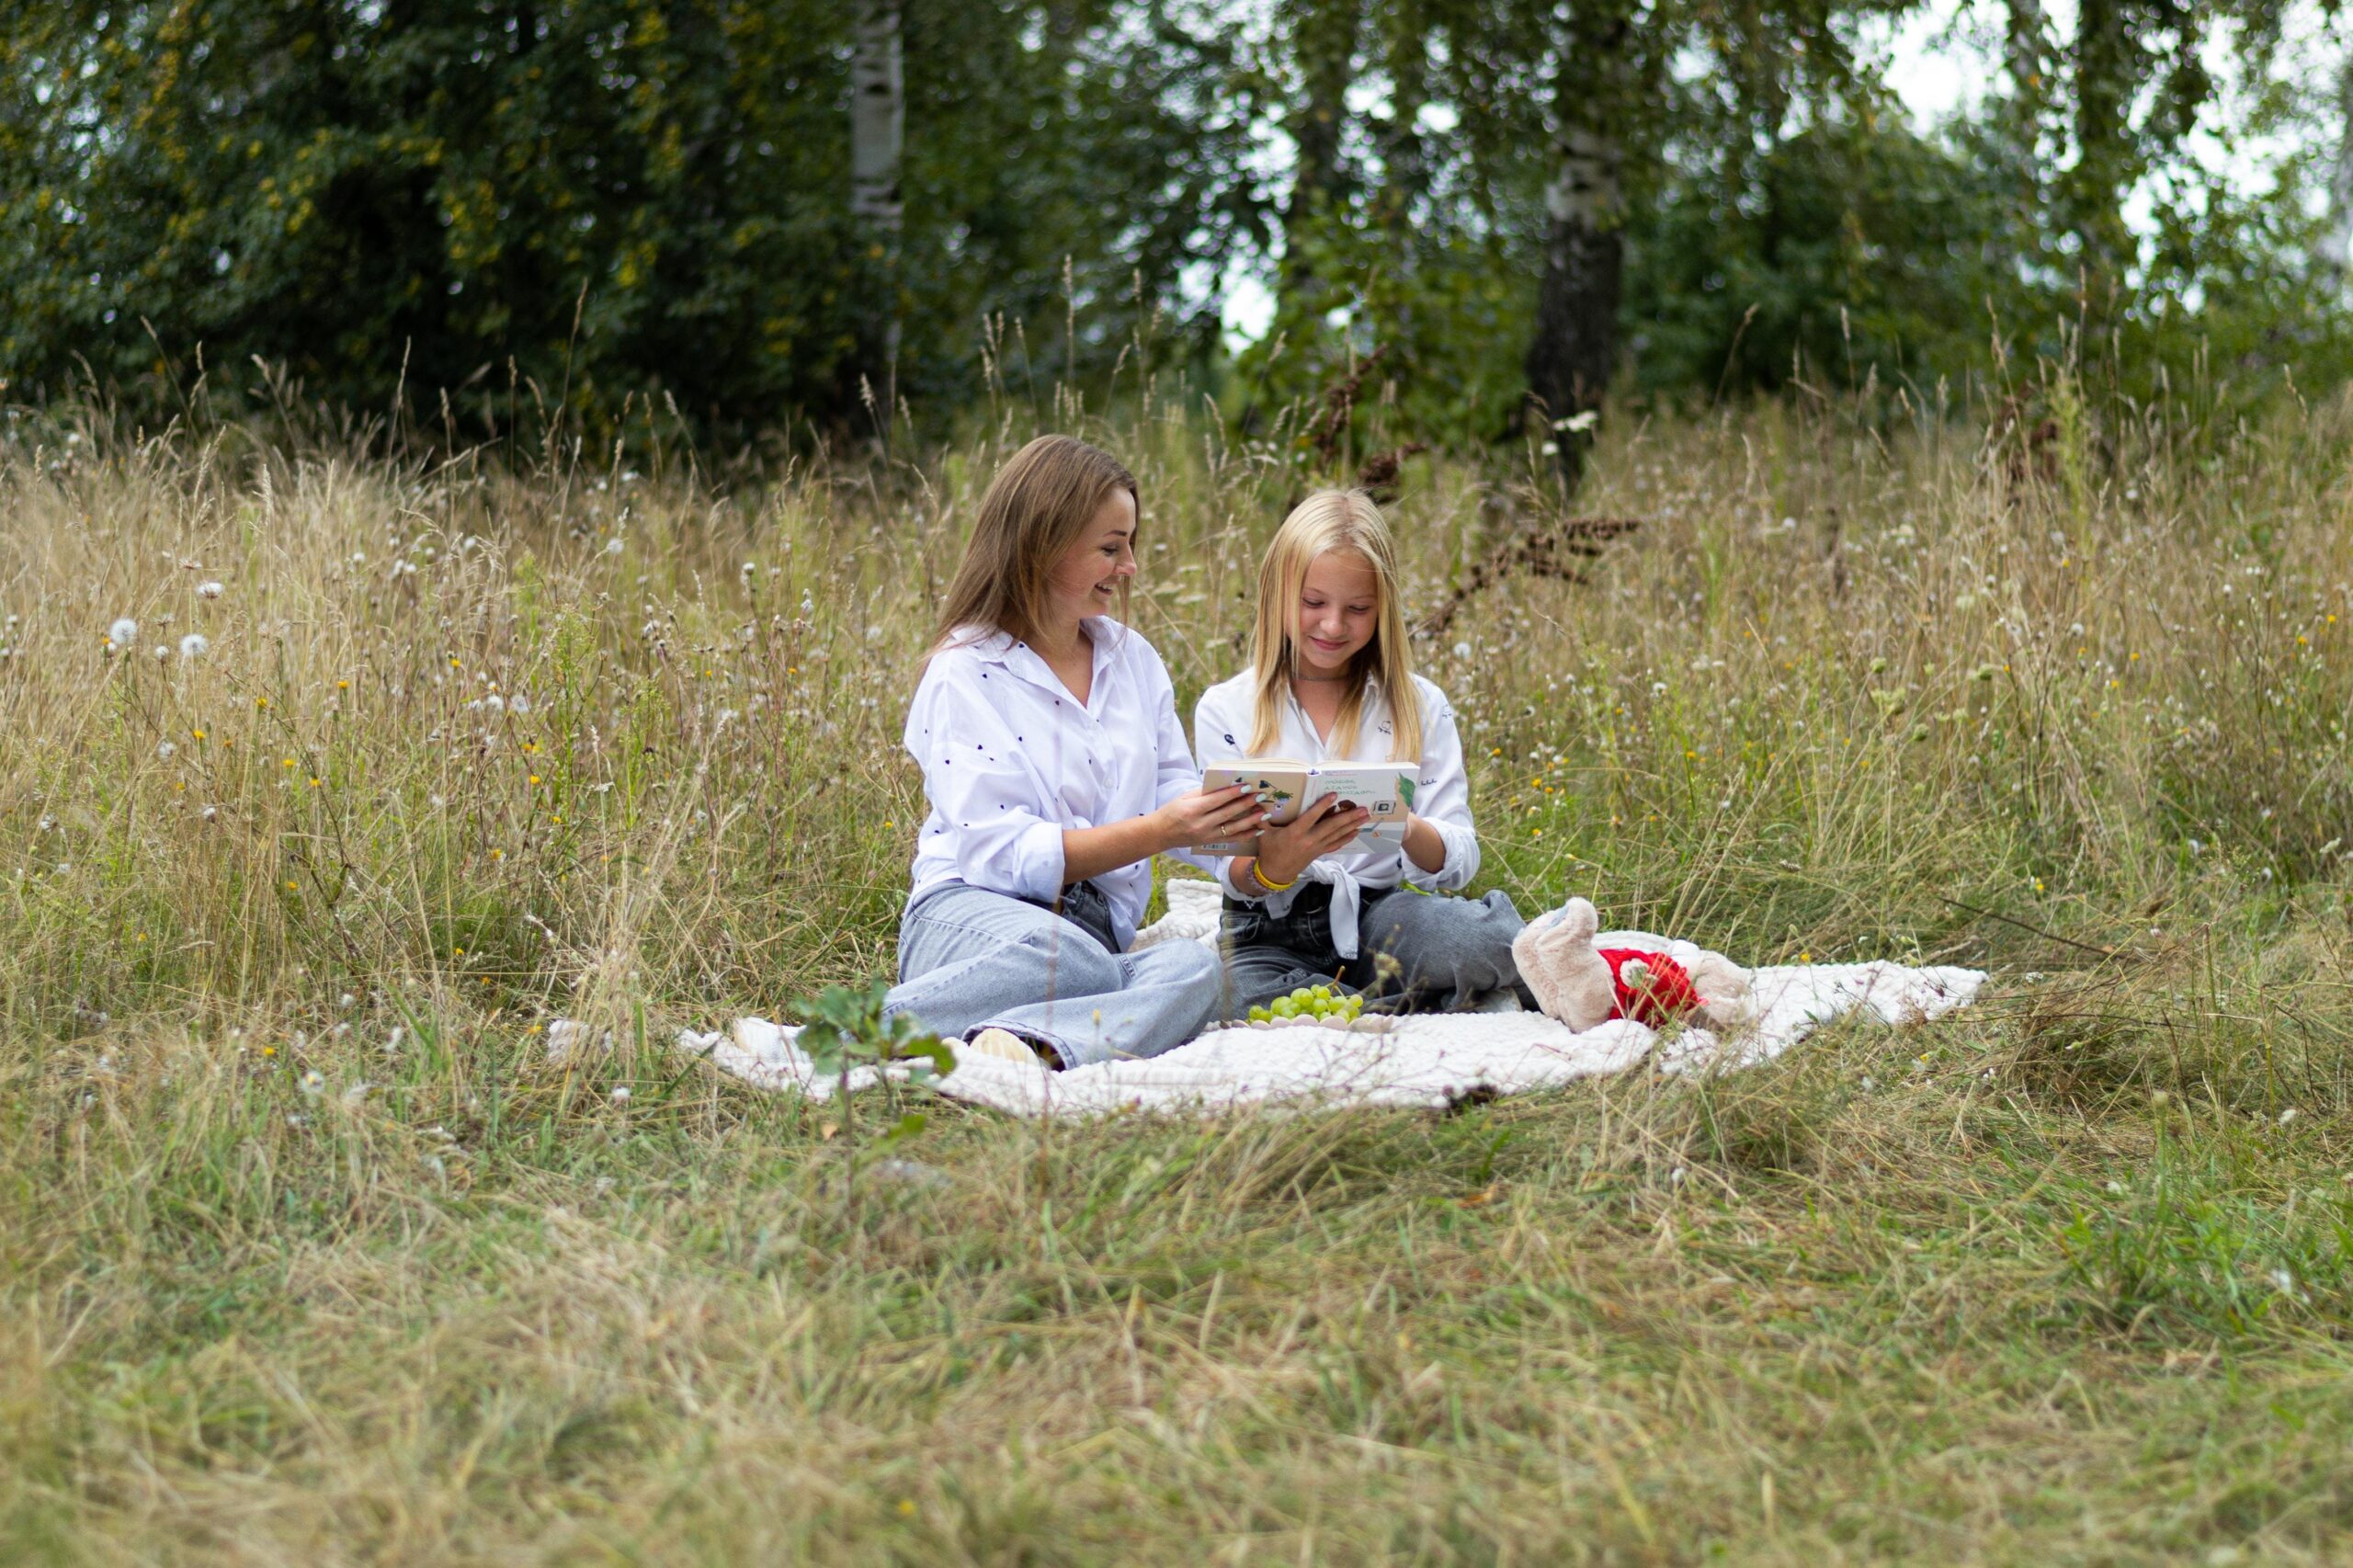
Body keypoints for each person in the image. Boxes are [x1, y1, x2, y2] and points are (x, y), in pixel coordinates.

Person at [882, 435, 1264, 1068]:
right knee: (1074, 961)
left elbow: (1173, 791)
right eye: (1111, 548)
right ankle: (852, 1028)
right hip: (973, 917)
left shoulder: (1132, 659)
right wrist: (1160, 831)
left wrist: (1258, 837)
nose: (1130, 567)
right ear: (1041, 545)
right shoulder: (965, 672)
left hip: (1093, 937)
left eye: (1131, 545)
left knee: (1194, 967)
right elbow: (999, 855)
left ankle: (1025, 1042)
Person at [1196, 488, 1532, 1014]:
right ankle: (1396, 1005)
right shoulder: (1226, 707)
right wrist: (1274, 866)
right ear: (1277, 593)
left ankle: (1354, 1006)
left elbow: (1459, 859)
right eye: (1313, 603)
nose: (1333, 626)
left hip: (1383, 916)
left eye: (1357, 609)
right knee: (1235, 997)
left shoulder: (1419, 703)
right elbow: (1229, 869)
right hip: (1267, 931)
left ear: (1383, 610)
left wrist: (1403, 824)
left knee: (1489, 939)